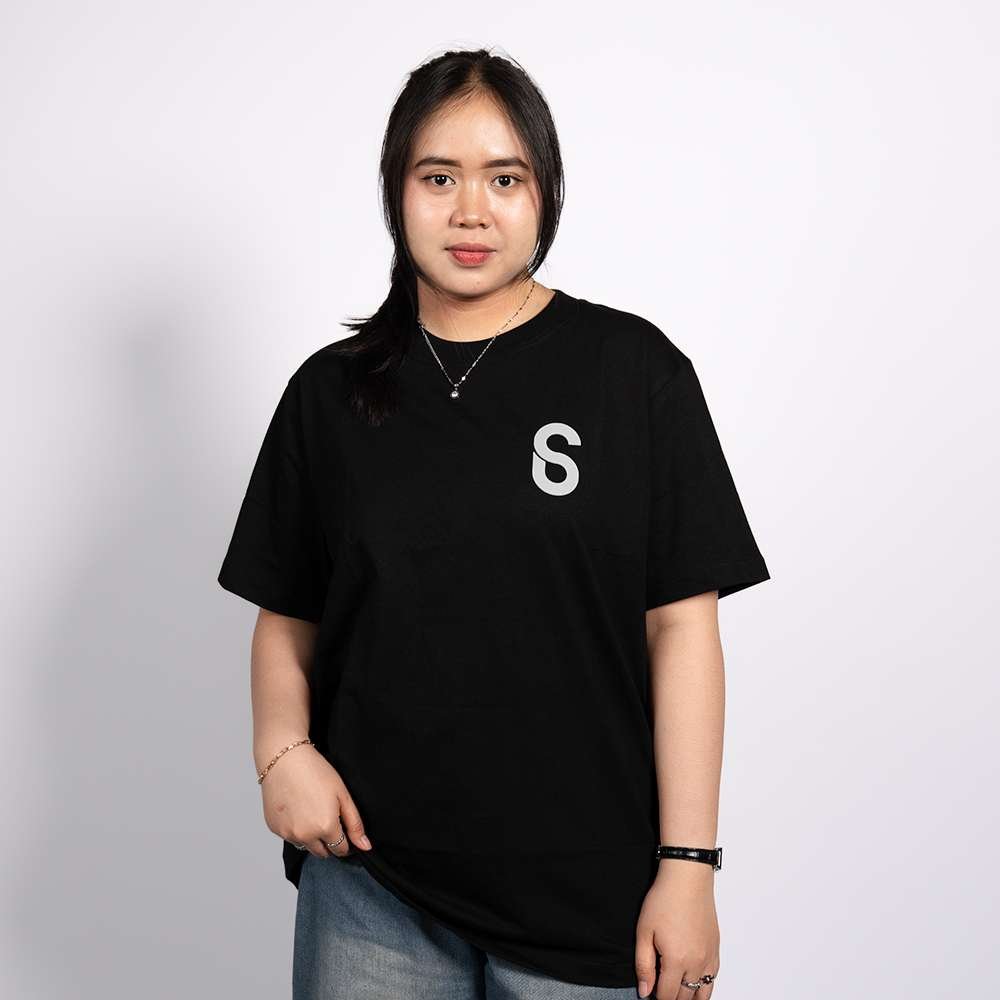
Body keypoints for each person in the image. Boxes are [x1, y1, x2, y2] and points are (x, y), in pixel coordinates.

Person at [217, 47, 770, 1000]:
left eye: (504, 179)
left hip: (591, 894)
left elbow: (682, 629)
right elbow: (287, 613)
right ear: (395, 192)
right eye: (439, 178)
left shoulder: (634, 373)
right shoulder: (330, 395)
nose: (471, 211)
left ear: (545, 192)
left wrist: (689, 866)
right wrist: (283, 753)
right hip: (372, 885)